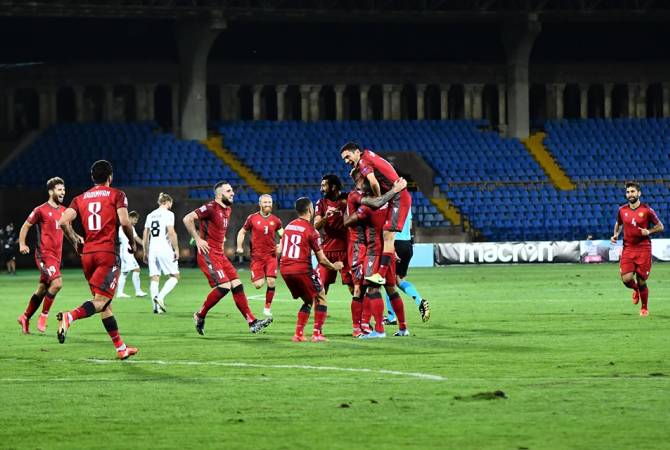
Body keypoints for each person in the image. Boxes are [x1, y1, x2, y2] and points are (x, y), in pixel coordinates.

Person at [57, 160, 138, 360]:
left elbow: (63, 221)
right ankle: (70, 316)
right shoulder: (117, 195)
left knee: (104, 303)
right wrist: (132, 243)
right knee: (101, 301)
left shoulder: (80, 198)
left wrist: (75, 240)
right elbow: (125, 222)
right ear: (110, 177)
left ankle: (121, 348)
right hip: (107, 254)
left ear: (93, 177)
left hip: (88, 256)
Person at [183, 181, 273, 335]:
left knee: (237, 285)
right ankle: (199, 315)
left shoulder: (228, 209)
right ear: (219, 194)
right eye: (228, 191)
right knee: (224, 286)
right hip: (208, 254)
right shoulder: (211, 207)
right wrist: (198, 239)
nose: (233, 193)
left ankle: (252, 321)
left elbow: (217, 229)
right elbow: (187, 218)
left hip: (220, 255)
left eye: (232, 191)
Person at [344, 176, 408, 338]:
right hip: (388, 251)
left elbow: (348, 222)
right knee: (391, 289)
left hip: (373, 253)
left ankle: (378, 330)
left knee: (372, 290)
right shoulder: (389, 204)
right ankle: (403, 328)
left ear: (366, 191)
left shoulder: (366, 208)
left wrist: (347, 213)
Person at [340, 142, 411, 286]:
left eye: (348, 157)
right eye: (344, 159)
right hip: (395, 196)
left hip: (399, 196)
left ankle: (381, 274)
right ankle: (383, 270)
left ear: (357, 152)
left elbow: (373, 182)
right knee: (386, 233)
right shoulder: (368, 155)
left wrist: (380, 199)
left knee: (387, 234)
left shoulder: (364, 161)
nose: (346, 161)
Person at [280, 197, 343, 342]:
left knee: (308, 299)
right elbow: (321, 259)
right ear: (310, 210)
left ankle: (298, 334)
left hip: (284, 270)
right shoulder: (311, 231)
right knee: (321, 295)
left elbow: (282, 247)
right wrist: (334, 266)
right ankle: (317, 334)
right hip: (301, 269)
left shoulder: (289, 226)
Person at [17, 177, 73, 333]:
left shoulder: (64, 211)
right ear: (51, 191)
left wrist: (77, 241)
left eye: (63, 189)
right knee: (57, 284)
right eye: (59, 189)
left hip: (56, 257)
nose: (63, 192)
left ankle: (25, 317)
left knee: (42, 289)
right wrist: (22, 244)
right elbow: (26, 226)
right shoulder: (40, 210)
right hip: (44, 255)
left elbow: (68, 232)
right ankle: (44, 315)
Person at [611, 181, 664, 316]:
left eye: (633, 191)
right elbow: (619, 223)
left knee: (641, 280)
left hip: (643, 249)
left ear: (639, 193)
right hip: (628, 248)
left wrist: (649, 231)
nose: (630, 194)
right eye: (628, 192)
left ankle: (644, 307)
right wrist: (616, 235)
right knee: (626, 279)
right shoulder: (622, 210)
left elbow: (660, 226)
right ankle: (636, 290)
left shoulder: (647, 210)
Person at [236, 194, 284, 317]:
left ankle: (267, 309)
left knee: (271, 282)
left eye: (269, 202)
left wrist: (282, 244)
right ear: (260, 204)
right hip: (257, 257)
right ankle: (255, 275)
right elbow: (242, 232)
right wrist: (239, 247)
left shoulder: (276, 220)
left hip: (271, 256)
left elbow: (283, 235)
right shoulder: (252, 218)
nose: (267, 204)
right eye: (265, 202)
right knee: (258, 285)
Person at [383, 210, 431, 324]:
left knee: (389, 281)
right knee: (400, 280)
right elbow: (409, 225)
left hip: (395, 243)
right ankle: (420, 301)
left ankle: (391, 317)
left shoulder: (390, 204)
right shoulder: (407, 205)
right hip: (408, 244)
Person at [314, 174, 351, 294]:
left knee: (354, 286)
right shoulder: (321, 203)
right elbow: (316, 226)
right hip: (327, 250)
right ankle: (320, 312)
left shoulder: (348, 199)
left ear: (333, 187)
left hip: (347, 250)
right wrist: (326, 217)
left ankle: (363, 313)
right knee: (321, 285)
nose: (321, 189)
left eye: (324, 185)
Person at [143, 193, 180, 313]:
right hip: (164, 247)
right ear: (167, 202)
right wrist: (176, 249)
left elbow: (145, 235)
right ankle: (160, 297)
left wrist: (145, 251)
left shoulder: (150, 215)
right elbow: (171, 232)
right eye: (171, 204)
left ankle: (155, 308)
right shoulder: (169, 214)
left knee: (154, 277)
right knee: (175, 276)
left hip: (153, 248)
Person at [116, 210, 147, 299]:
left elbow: (136, 238)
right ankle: (138, 291)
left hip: (125, 252)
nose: (136, 222)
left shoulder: (129, 227)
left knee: (124, 273)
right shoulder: (125, 226)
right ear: (130, 218)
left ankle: (120, 293)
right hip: (126, 252)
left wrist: (145, 245)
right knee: (136, 269)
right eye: (135, 219)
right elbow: (127, 239)